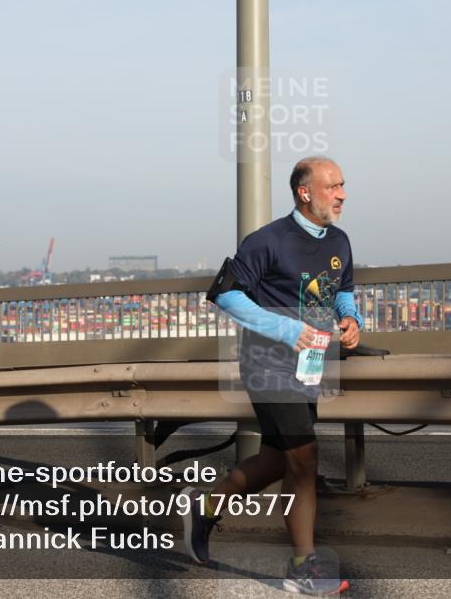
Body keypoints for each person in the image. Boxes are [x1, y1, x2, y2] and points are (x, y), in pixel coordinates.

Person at [182, 157, 361, 596]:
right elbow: (224, 295)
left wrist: (351, 317)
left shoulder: (339, 240)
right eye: (333, 186)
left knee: (278, 460)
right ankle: (303, 566)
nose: (341, 194)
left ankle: (204, 505)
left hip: (310, 365)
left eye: (343, 185)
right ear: (305, 192)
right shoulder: (268, 241)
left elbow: (343, 290)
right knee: (305, 459)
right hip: (267, 364)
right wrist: (285, 329)